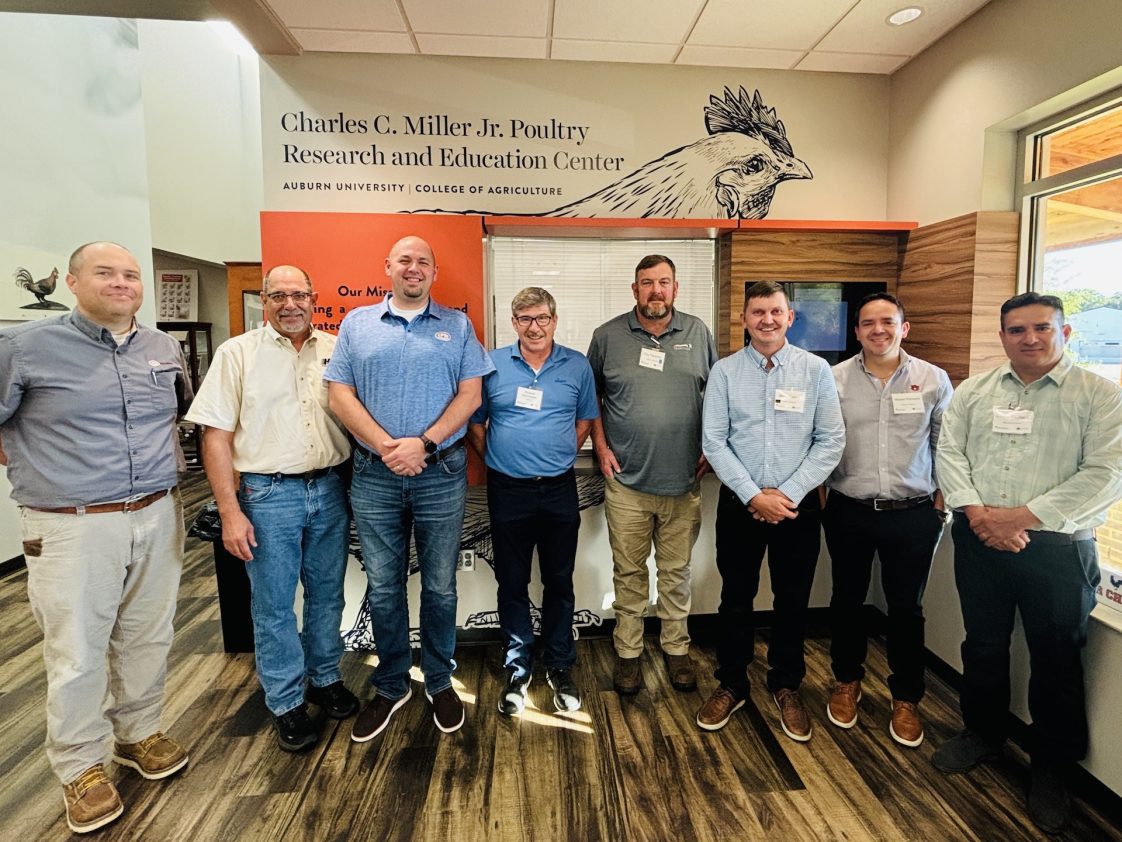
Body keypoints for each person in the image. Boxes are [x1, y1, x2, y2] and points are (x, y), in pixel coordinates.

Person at [0, 242, 191, 834]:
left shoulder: (164, 348)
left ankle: (138, 733)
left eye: (130, 275)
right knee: (77, 648)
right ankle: (80, 767)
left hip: (158, 511)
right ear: (73, 282)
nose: (121, 283)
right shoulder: (24, 347)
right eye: (104, 273)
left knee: (147, 633)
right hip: (71, 523)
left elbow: (180, 415)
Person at [933, 291, 1122, 833]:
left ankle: (1053, 769)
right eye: (1018, 330)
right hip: (978, 538)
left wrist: (1019, 518)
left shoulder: (1099, 396)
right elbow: (950, 454)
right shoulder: (975, 391)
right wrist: (978, 515)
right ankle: (983, 733)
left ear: (1066, 333)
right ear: (1003, 337)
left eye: (1042, 328)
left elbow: (1105, 474)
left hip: (1059, 550)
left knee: (1057, 659)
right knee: (984, 644)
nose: (1031, 338)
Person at [325, 236, 493, 740]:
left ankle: (440, 679)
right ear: (388, 268)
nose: (413, 268)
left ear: (434, 272)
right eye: (405, 260)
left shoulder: (458, 326)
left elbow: (471, 395)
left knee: (440, 585)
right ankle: (392, 683)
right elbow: (339, 394)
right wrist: (387, 447)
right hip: (375, 476)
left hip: (440, 472)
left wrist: (422, 443)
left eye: (423, 261)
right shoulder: (357, 325)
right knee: (383, 585)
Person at [186, 264, 357, 753]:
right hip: (266, 496)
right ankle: (285, 702)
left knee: (327, 596)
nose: (289, 304)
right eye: (278, 295)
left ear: (313, 297)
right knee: (274, 605)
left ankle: (324, 678)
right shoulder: (236, 353)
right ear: (265, 300)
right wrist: (229, 511)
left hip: (329, 490)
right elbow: (214, 436)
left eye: (298, 294)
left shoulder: (335, 350)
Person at [697, 280, 844, 741]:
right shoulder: (724, 372)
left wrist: (787, 494)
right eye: (758, 312)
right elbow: (713, 442)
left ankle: (786, 685)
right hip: (741, 505)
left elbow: (831, 441)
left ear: (790, 317)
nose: (767, 320)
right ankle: (732, 683)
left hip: (796, 508)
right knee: (735, 598)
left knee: (792, 600)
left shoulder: (816, 370)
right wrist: (753, 496)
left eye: (776, 312)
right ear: (744, 319)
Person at [823, 293, 952, 748]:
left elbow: (946, 447)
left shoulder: (933, 380)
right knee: (847, 601)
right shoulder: (833, 379)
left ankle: (906, 697)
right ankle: (845, 681)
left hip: (913, 514)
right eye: (867, 323)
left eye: (887, 322)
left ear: (904, 327)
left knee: (906, 609)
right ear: (855, 331)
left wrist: (940, 504)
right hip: (849, 510)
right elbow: (822, 442)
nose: (878, 330)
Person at [587, 255, 717, 696]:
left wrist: (711, 448)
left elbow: (717, 397)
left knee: (675, 573)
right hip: (626, 484)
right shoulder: (607, 337)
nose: (656, 291)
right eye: (647, 283)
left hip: (683, 483)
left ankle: (676, 649)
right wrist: (600, 447)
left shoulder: (698, 333)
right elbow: (591, 400)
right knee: (628, 574)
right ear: (634, 289)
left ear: (676, 289)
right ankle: (628, 653)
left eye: (664, 282)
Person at [468, 287, 599, 715]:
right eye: (525, 319)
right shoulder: (492, 365)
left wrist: (558, 453)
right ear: (514, 323)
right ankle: (518, 665)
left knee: (559, 580)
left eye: (542, 318)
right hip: (508, 490)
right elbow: (477, 423)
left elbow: (584, 421)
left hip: (559, 488)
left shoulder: (576, 366)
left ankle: (560, 664)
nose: (534, 327)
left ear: (554, 320)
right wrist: (501, 459)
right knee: (512, 580)